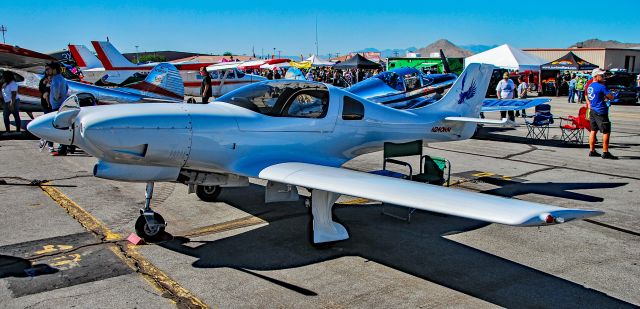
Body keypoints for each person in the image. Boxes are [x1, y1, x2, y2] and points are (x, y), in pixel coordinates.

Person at [587, 68, 616, 159]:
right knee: (606, 131)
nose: (603, 77)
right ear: (595, 76)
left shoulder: (590, 86)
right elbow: (611, 97)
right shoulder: (601, 86)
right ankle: (605, 152)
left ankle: (592, 150)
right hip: (601, 111)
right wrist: (608, 96)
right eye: (601, 75)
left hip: (593, 110)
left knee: (593, 130)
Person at [48, 62, 69, 156]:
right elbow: (67, 88)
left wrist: (56, 98)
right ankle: (63, 147)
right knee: (63, 127)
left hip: (57, 105)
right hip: (62, 104)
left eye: (50, 69)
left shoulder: (55, 79)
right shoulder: (62, 78)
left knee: (59, 128)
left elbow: (56, 91)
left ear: (54, 69)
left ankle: (62, 149)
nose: (48, 71)